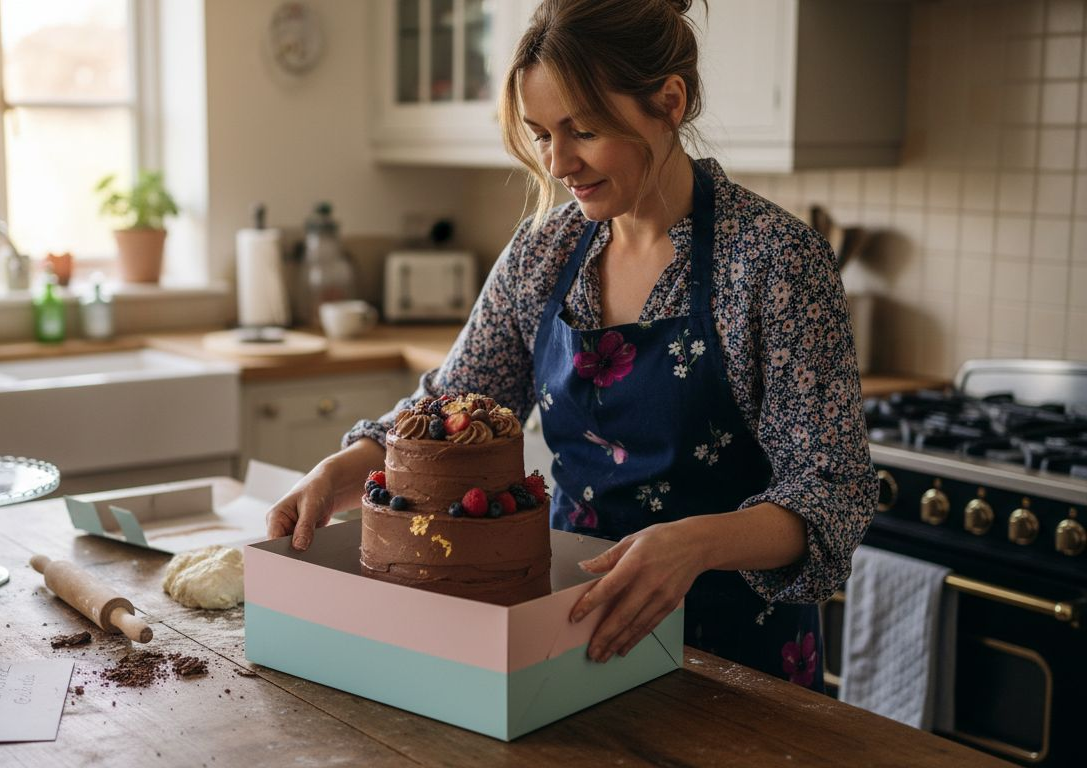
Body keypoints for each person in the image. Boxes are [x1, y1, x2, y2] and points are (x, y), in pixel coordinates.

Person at [267, 0, 876, 691]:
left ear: (669, 103)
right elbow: (454, 409)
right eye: (540, 134)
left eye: (582, 130)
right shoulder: (543, 252)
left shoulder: (774, 260)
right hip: (567, 640)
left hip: (738, 661)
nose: (557, 162)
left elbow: (833, 493)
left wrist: (694, 545)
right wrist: (341, 473)